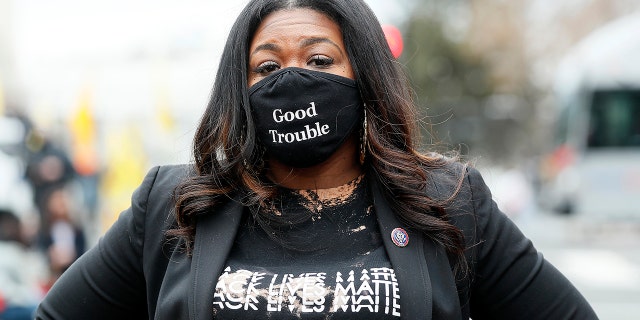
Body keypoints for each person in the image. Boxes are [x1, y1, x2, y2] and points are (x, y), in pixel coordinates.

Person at [35, 0, 597, 319]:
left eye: (320, 59)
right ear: (240, 87)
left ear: (365, 77)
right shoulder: (172, 205)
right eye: (266, 66)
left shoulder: (449, 202)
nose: (292, 79)